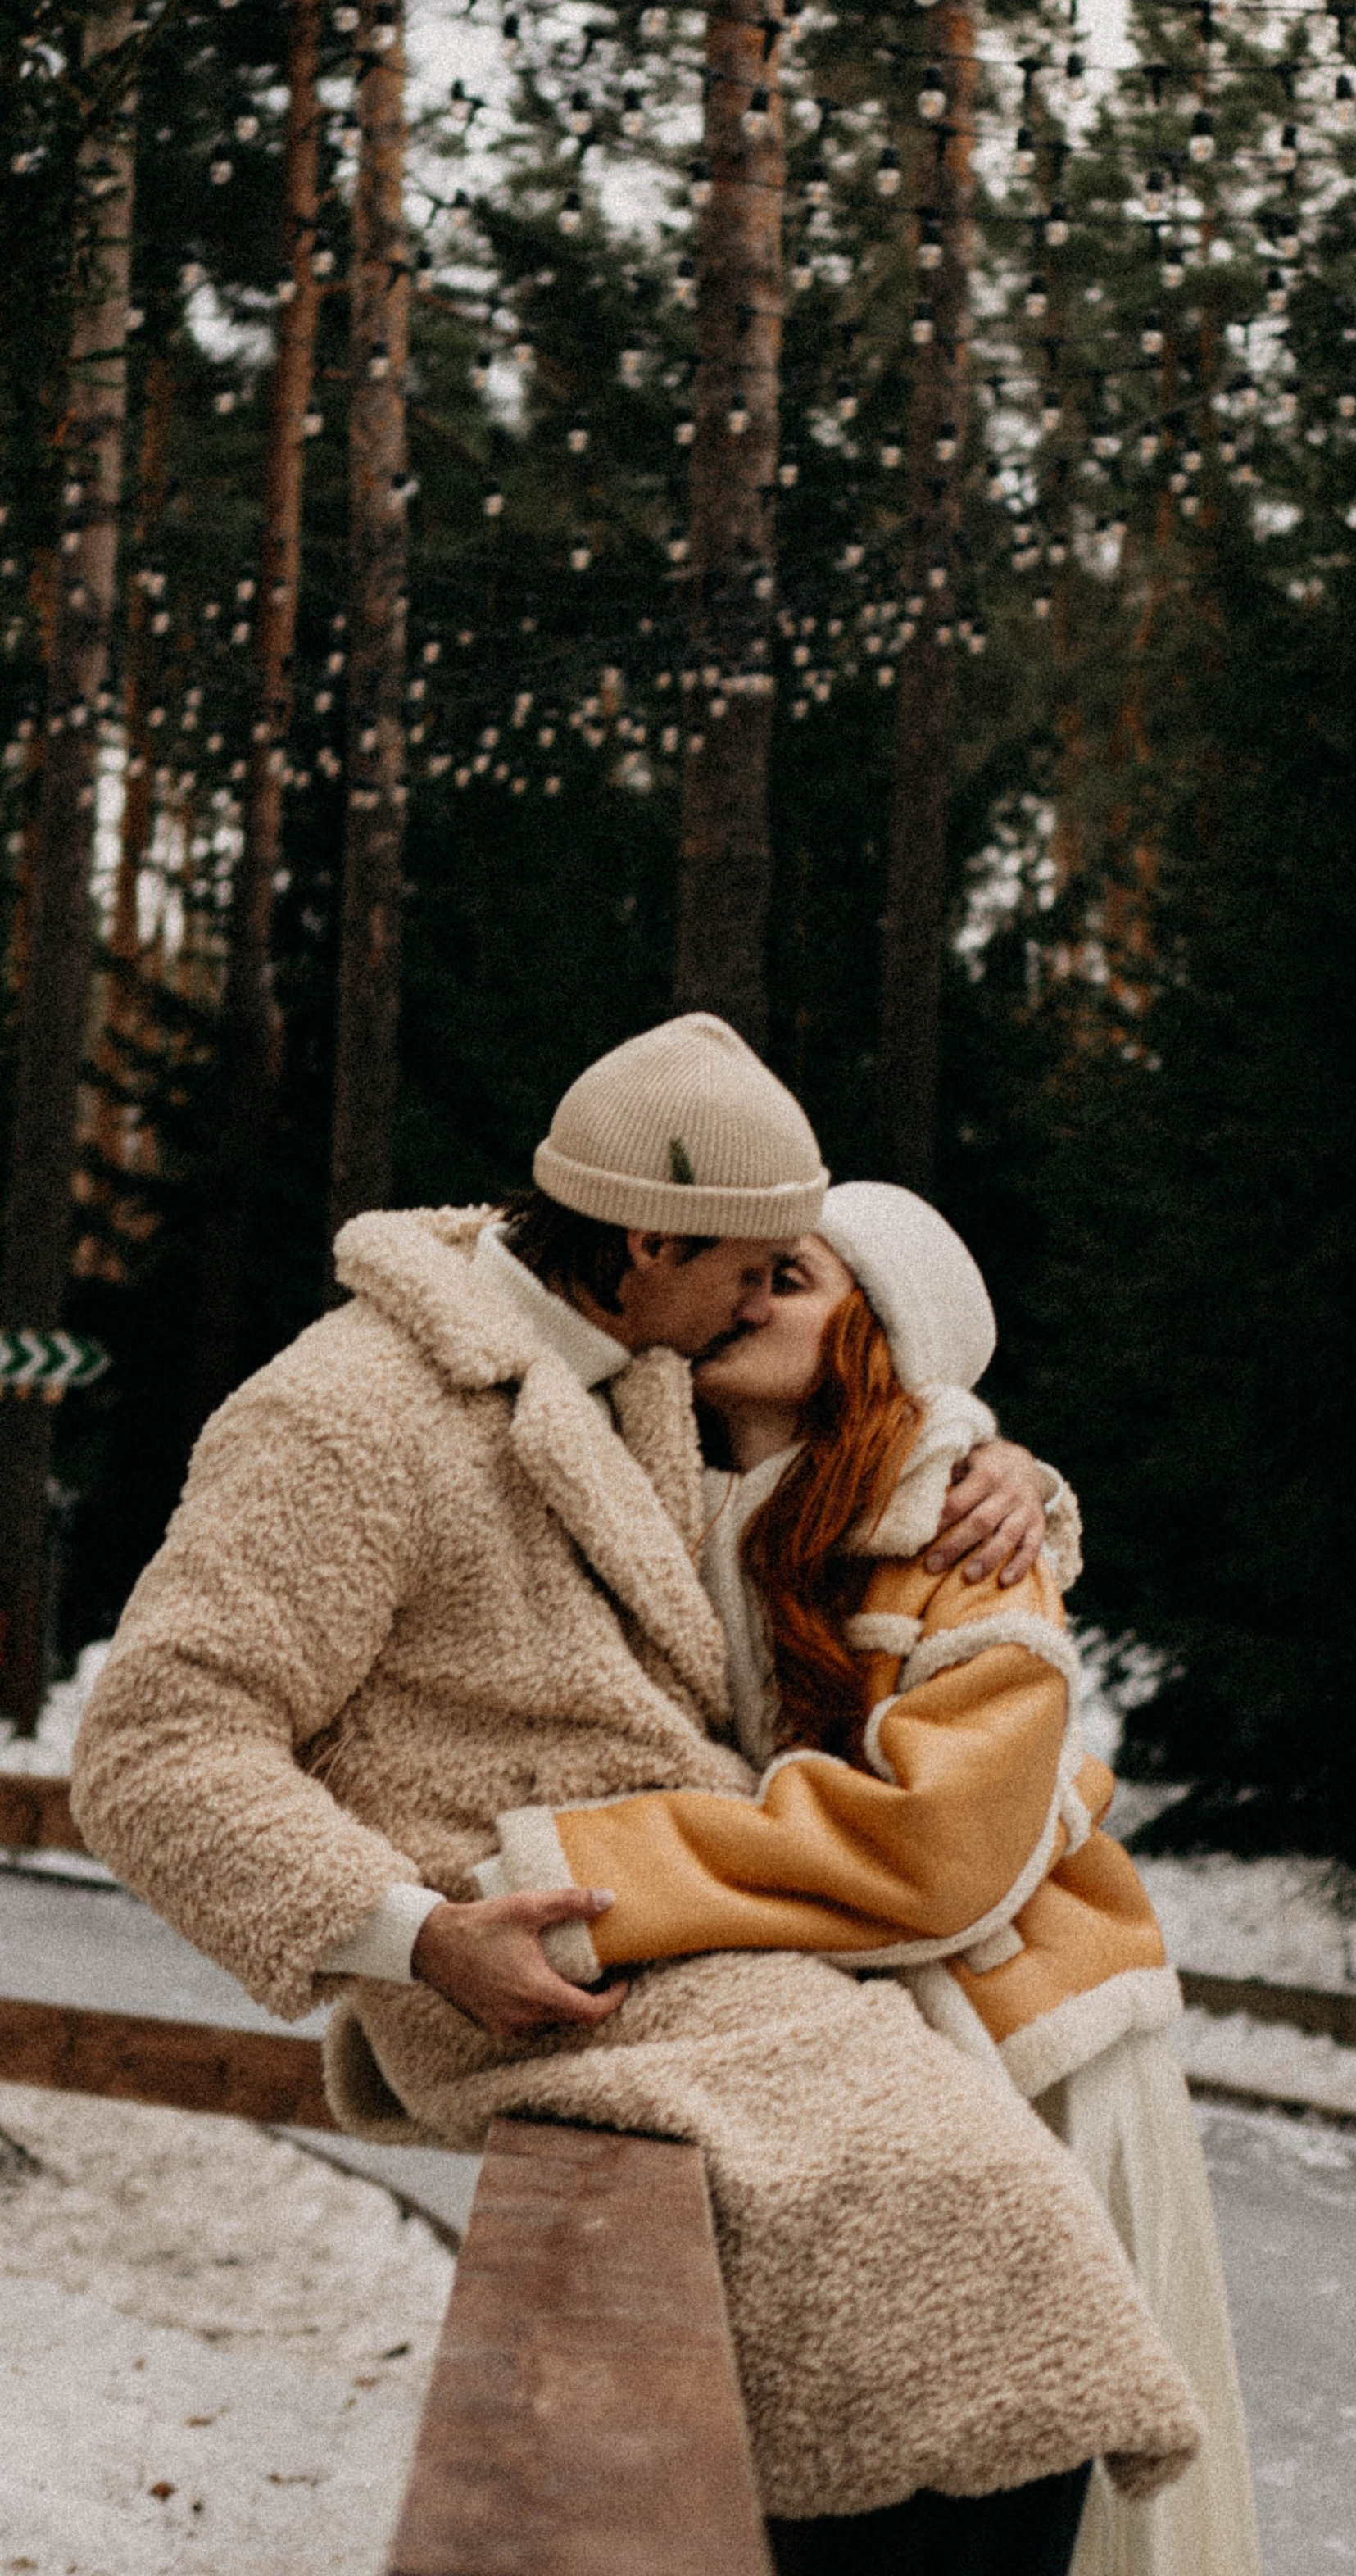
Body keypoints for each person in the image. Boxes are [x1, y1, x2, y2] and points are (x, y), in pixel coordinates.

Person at [72, 1016, 1201, 2562]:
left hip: (694, 1936)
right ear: (652, 1236)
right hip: (527, 1945)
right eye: (756, 1267)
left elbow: (830, 1467)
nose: (767, 1299)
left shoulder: (630, 1366)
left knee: (986, 2241)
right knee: (954, 2221)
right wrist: (415, 1935)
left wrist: (999, 1461)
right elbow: (152, 1750)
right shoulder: (342, 1416)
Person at [480, 1180, 1263, 2576]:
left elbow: (938, 1853)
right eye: (739, 1267)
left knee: (999, 2486)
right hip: (824, 2048)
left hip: (1018, 2052)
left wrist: (613, 1873)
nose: (747, 1296)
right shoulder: (657, 1485)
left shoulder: (964, 1533)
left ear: (881, 1340)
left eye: (792, 1278)